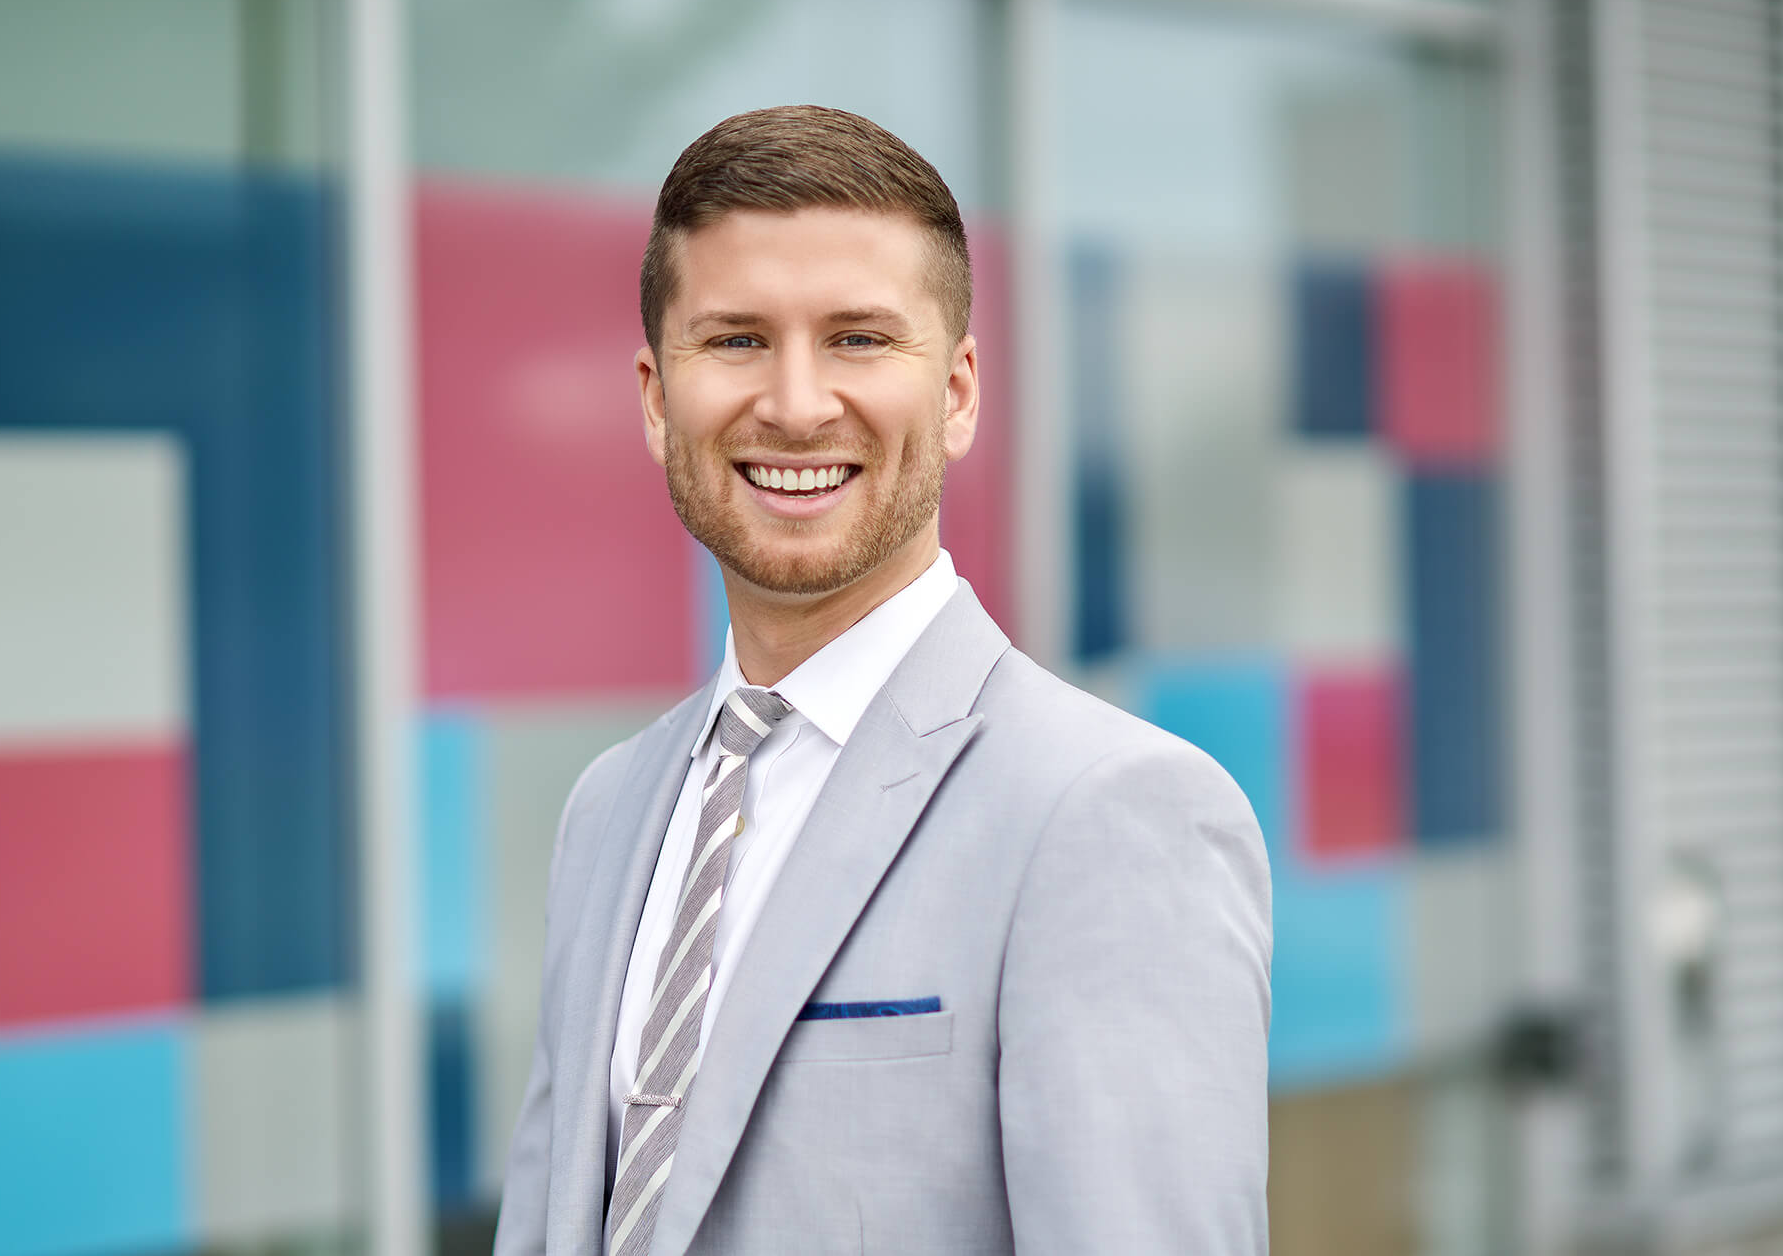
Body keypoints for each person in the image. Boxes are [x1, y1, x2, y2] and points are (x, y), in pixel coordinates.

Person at [494, 105, 1272, 1256]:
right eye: (736, 340)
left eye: (858, 339)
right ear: (658, 398)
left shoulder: (1109, 811)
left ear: (956, 393)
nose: (798, 405)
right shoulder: (609, 808)